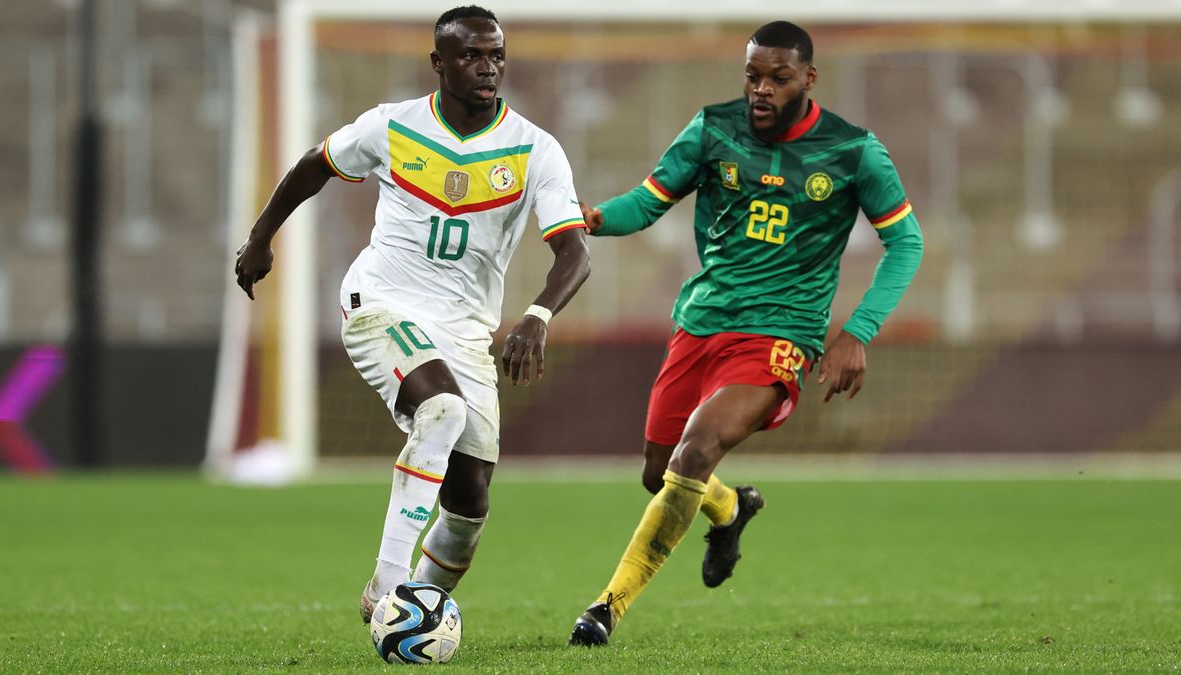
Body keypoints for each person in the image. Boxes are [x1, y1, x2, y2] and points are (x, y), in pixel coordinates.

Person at [567, 20, 923, 646]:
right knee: (660, 474)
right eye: (752, 75)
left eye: (778, 78)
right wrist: (596, 218)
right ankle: (731, 510)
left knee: (696, 451)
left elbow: (906, 242)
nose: (762, 89)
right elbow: (650, 200)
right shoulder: (712, 127)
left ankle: (606, 607)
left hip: (782, 332)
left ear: (809, 79)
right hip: (701, 322)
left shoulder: (853, 150)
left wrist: (857, 329)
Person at [234, 5, 590, 623]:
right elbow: (315, 166)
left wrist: (537, 315)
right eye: (472, 55)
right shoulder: (392, 126)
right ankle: (388, 591)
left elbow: (575, 252)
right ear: (439, 63)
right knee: (440, 410)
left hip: (466, 329)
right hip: (381, 303)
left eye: (496, 55)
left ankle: (419, 611)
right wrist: (262, 237)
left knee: (470, 502)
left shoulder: (535, 149)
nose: (488, 67)